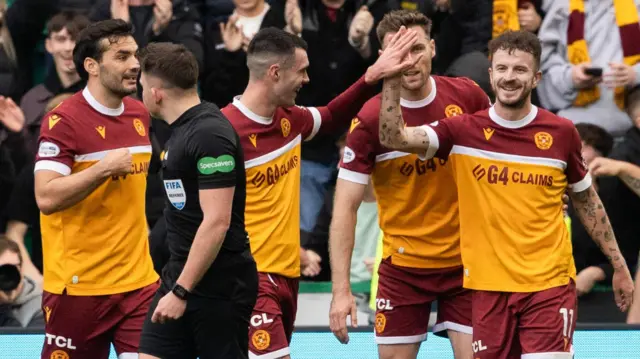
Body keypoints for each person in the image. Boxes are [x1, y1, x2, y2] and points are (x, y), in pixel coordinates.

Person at [378, 29, 635, 359]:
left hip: (549, 284)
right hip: (487, 289)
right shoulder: (461, 131)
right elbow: (394, 137)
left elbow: (587, 200)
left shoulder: (561, 132)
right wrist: (389, 78)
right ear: (490, 74)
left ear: (537, 77)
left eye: (520, 70)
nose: (509, 78)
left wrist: (618, 264)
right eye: (502, 69)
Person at [220, 26, 419, 359]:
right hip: (250, 277)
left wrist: (371, 77)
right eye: (301, 71)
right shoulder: (223, 131)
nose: (307, 79)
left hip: (287, 275)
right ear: (274, 72)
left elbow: (329, 116)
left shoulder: (289, 119)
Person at [329, 9, 491, 359]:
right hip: (404, 270)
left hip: (467, 264)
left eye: (416, 48)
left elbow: (502, 159)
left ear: (433, 48)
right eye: (397, 53)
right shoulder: (369, 120)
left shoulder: (469, 98)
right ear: (382, 58)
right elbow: (345, 206)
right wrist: (340, 290)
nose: (409, 61)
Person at [33, 19, 159, 359]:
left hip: (139, 283)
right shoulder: (63, 121)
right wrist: (102, 169)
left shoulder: (139, 113)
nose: (134, 64)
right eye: (121, 56)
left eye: (135, 54)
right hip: (78, 288)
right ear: (91, 65)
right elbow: (45, 197)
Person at [137, 42, 258, 359]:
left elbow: (217, 222)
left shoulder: (209, 135)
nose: (141, 93)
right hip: (179, 274)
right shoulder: (180, 131)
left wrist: (181, 290)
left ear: (156, 91)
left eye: (142, 86)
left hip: (220, 285)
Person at [0, 235, 43, 328]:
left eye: (12, 269)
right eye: (2, 271)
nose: (7, 276)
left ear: (22, 269)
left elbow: (26, 342)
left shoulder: (40, 307)